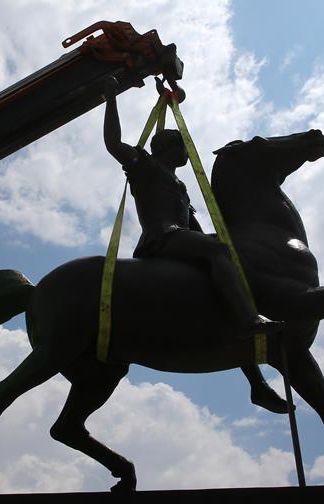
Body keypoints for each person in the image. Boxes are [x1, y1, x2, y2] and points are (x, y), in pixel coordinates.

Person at [103, 76, 288, 413]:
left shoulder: (180, 185)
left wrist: (221, 242)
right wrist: (111, 97)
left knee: (223, 258)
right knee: (217, 252)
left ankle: (257, 383)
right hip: (162, 238)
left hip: (183, 237)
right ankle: (250, 320)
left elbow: (195, 226)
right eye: (181, 147)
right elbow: (114, 143)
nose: (187, 152)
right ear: (166, 149)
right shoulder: (144, 166)